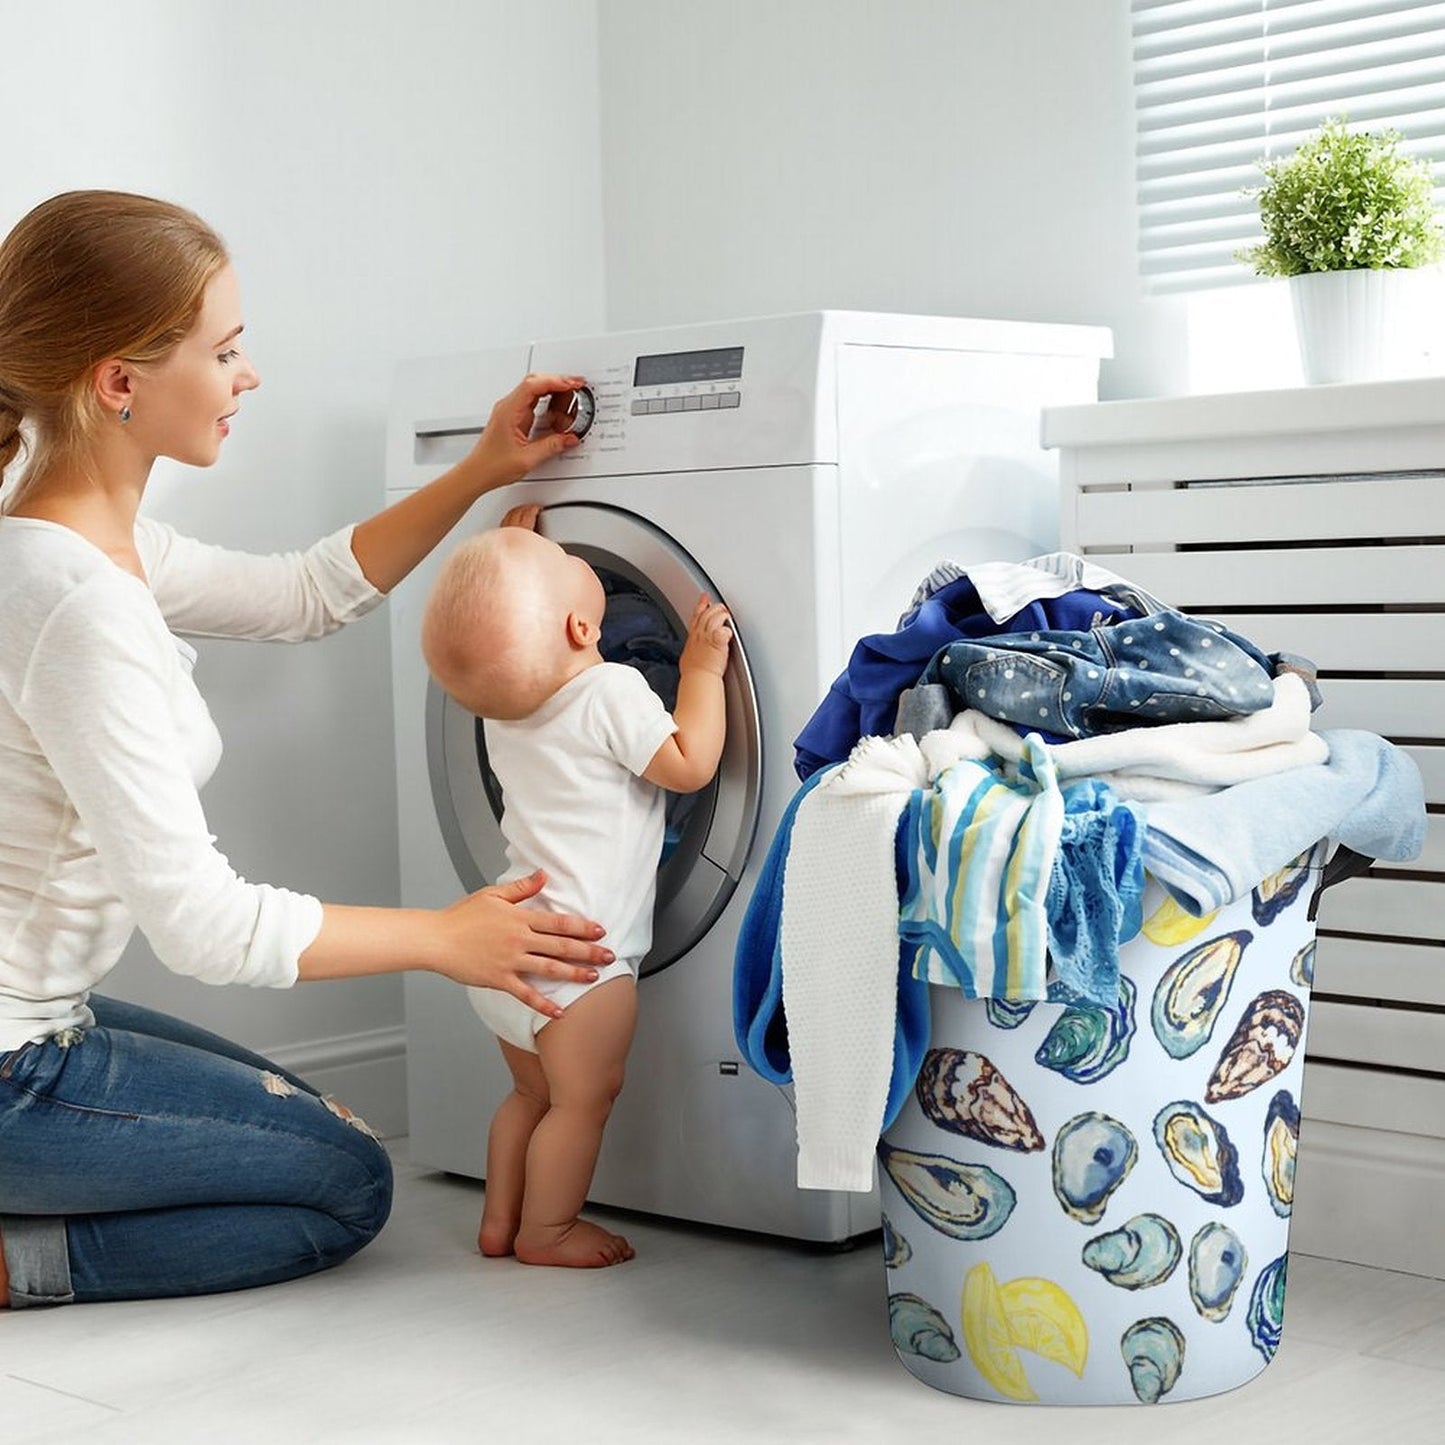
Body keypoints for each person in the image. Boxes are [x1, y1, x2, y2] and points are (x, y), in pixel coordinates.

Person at [0, 189, 616, 1309]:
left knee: (306, 1120)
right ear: (118, 381)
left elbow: (305, 593)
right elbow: (203, 923)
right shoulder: (76, 602)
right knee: (344, 1183)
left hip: (37, 1017)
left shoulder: (76, 539)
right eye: (225, 350)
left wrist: (484, 466)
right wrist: (445, 936)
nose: (251, 376)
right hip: (12, 1067)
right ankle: (18, 1257)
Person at [421, 519, 731, 1267]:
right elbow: (687, 764)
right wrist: (697, 672)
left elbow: (504, 642)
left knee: (528, 1098)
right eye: (565, 559)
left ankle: (498, 1220)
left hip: (511, 944)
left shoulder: (503, 708)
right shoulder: (612, 689)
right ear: (582, 625)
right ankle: (547, 1229)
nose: (571, 552)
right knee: (582, 1103)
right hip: (582, 962)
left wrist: (511, 559)